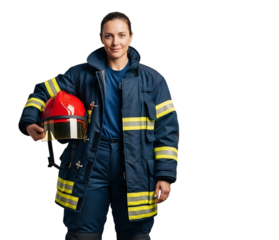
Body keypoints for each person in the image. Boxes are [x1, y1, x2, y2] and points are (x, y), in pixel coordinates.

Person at [17, 11, 180, 240]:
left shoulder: (153, 80)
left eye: (121, 35)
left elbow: (168, 131)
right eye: (109, 36)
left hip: (136, 165)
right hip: (90, 162)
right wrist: (29, 122)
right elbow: (42, 92)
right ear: (100, 38)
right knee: (82, 235)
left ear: (132, 37)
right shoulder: (80, 74)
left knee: (136, 236)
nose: (116, 42)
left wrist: (165, 175)